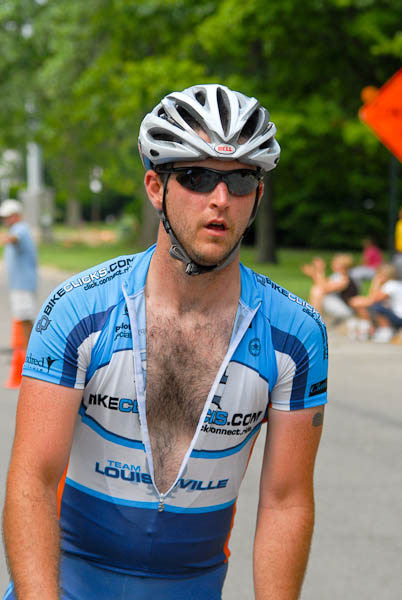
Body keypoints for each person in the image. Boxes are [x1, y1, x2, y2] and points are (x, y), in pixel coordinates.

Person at [2, 84, 327, 600]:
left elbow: (286, 502)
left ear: (258, 196)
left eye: (241, 180)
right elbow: (32, 481)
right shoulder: (79, 310)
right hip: (67, 584)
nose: (220, 199)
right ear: (156, 188)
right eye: (197, 177)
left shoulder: (295, 334)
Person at [0, 199, 37, 349]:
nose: (5, 220)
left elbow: (15, 238)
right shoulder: (16, 229)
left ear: (16, 215)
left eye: (7, 216)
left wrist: (6, 239)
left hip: (23, 284)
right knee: (23, 318)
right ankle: (26, 349)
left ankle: (31, 351)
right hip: (19, 284)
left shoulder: (20, 228)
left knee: (26, 318)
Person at [349, 263, 402, 343]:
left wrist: (375, 283)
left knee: (375, 306)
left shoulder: (391, 285)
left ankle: (385, 330)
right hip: (396, 315)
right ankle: (368, 326)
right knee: (368, 304)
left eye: (378, 274)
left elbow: (373, 299)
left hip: (399, 317)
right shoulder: (395, 284)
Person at [301, 253, 358, 323]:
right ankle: (313, 318)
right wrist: (314, 274)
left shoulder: (344, 279)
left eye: (336, 263)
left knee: (317, 291)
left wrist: (319, 270)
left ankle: (314, 320)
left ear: (343, 266)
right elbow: (321, 283)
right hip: (339, 305)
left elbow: (324, 287)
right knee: (317, 290)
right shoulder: (337, 276)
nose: (332, 264)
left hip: (346, 310)